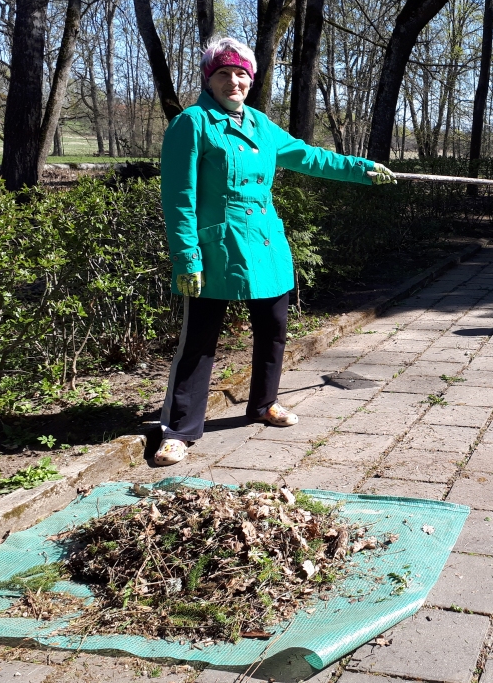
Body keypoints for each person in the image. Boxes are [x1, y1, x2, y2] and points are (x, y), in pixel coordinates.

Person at [155, 36, 396, 466]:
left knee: (273, 330)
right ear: (209, 80)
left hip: (266, 245)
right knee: (199, 342)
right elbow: (178, 198)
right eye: (224, 74)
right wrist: (186, 257)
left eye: (241, 74)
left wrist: (364, 169)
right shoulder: (192, 124)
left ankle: (263, 404)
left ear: (251, 80)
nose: (234, 81)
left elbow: (310, 157)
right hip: (218, 249)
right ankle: (178, 430)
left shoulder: (261, 125)